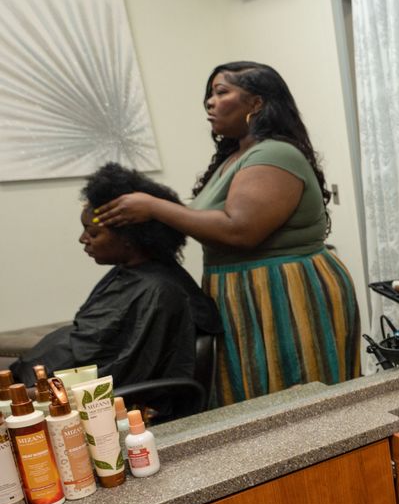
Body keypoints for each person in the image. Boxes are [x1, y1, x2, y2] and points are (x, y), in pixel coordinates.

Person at [95, 61, 361, 405]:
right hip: (241, 290)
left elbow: (240, 231)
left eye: (222, 92)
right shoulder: (235, 157)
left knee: (298, 398)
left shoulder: (275, 153)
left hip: (286, 291)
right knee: (255, 396)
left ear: (257, 103)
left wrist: (154, 207)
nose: (209, 101)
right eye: (209, 94)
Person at [12, 163, 221, 415]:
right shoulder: (129, 273)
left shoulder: (159, 292)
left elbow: (125, 371)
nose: (83, 239)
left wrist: (41, 392)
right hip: (51, 381)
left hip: (95, 400)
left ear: (129, 238)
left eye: (93, 232)